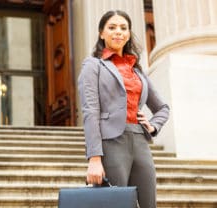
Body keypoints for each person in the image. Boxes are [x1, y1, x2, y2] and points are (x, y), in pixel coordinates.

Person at [77, 10, 170, 208]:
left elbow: (162, 107)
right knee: (117, 204)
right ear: (101, 33)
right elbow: (90, 111)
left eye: (123, 28)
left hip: (140, 141)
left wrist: (152, 125)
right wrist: (94, 158)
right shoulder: (93, 65)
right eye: (112, 27)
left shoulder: (136, 70)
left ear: (128, 33)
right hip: (111, 143)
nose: (118, 32)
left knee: (148, 203)